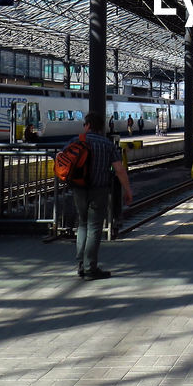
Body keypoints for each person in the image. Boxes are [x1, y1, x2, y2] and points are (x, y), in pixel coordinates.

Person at [70, 113, 133, 280]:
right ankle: (90, 268)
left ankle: (81, 265)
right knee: (95, 227)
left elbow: (61, 161)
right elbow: (119, 170)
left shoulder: (75, 142)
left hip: (79, 189)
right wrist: (127, 190)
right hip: (99, 189)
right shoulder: (107, 144)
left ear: (87, 125)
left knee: (82, 224)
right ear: (101, 127)